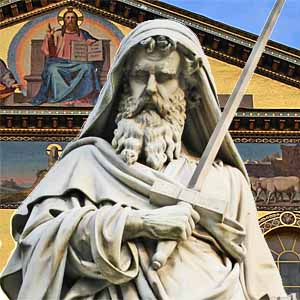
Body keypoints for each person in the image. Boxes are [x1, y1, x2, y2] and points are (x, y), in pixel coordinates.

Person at [0, 20, 288, 300]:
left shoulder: (228, 182)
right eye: (140, 76)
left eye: (164, 78)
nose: (150, 89)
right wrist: (140, 223)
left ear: (189, 93)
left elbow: (262, 280)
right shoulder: (84, 165)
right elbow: (36, 247)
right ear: (123, 87)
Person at [32, 9, 101, 105]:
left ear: (77, 20)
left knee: (88, 67)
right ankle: (61, 98)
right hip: (60, 63)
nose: (70, 20)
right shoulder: (57, 33)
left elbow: (96, 46)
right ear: (64, 20)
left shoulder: (83, 34)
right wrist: (50, 38)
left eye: (73, 18)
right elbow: (50, 54)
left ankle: (82, 97)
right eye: (68, 18)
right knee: (52, 69)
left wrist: (92, 43)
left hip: (78, 63)